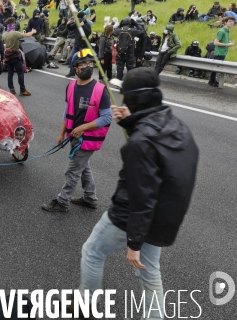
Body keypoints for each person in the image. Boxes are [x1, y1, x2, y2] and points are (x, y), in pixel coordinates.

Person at [79, 68, 198, 319]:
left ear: (132, 98)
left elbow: (141, 197)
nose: (121, 101)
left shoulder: (140, 143)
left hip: (130, 217)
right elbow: (154, 151)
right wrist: (129, 121)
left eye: (124, 96)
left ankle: (85, 302)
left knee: (92, 252)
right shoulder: (176, 126)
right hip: (164, 217)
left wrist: (134, 242)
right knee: (149, 270)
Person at [42, 49, 111, 212]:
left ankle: (62, 201)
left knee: (72, 170)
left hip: (87, 139)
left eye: (89, 63)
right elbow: (67, 111)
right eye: (82, 64)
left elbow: (107, 118)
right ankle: (90, 198)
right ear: (75, 68)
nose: (87, 66)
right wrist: (61, 134)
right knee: (84, 167)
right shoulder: (71, 85)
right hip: (73, 135)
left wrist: (83, 128)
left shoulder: (100, 90)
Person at [2, 17, 36, 96]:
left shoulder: (4, 34)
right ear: (13, 24)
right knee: (20, 73)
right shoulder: (15, 33)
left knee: (10, 73)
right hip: (15, 56)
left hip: (7, 56)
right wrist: (33, 31)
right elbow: (27, 35)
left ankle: (12, 89)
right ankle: (22, 90)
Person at [209, 16, 235, 87]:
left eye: (232, 21)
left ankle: (213, 80)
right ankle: (211, 81)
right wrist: (227, 44)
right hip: (219, 52)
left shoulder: (227, 30)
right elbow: (215, 43)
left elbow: (223, 40)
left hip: (223, 52)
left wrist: (229, 42)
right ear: (225, 22)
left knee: (217, 67)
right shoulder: (222, 31)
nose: (231, 23)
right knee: (216, 67)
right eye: (230, 21)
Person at [65, 12, 92, 77]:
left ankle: (82, 73)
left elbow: (88, 33)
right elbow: (70, 28)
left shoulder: (87, 24)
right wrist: (68, 24)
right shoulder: (77, 23)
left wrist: (83, 26)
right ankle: (72, 71)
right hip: (76, 45)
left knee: (81, 60)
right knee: (71, 58)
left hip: (83, 46)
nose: (79, 20)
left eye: (80, 18)